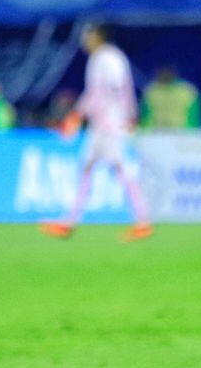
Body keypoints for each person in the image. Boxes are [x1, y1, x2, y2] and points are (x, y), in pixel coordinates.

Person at [41, 23, 152, 241]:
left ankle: (143, 220)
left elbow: (104, 92)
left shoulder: (104, 59)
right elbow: (123, 90)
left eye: (88, 35)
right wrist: (130, 114)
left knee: (119, 169)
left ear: (99, 37)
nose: (85, 40)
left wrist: (77, 115)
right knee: (89, 168)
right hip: (106, 123)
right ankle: (68, 221)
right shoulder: (112, 58)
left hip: (108, 125)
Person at [140, 65, 201, 130]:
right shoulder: (150, 91)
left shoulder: (188, 91)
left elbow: (194, 117)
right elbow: (145, 116)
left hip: (181, 134)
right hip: (155, 134)